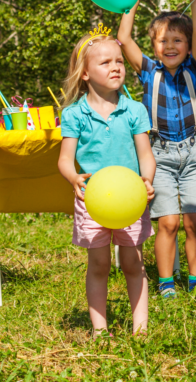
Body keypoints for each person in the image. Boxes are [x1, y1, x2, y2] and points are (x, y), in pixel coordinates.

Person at [117, 0, 196, 299]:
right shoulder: (147, 70)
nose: (170, 46)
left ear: (186, 45)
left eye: (177, 40)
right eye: (162, 40)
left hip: (193, 152)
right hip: (159, 154)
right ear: (153, 45)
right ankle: (167, 283)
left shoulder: (195, 69)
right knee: (168, 222)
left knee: (194, 221)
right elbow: (123, 39)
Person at [57, 28, 156, 337]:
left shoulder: (135, 110)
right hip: (92, 200)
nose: (116, 67)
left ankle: (141, 331)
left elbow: (146, 156)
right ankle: (100, 331)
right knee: (98, 264)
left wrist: (148, 180)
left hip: (131, 199)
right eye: (105, 63)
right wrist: (73, 176)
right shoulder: (74, 114)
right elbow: (64, 159)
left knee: (133, 263)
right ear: (84, 73)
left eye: (119, 61)